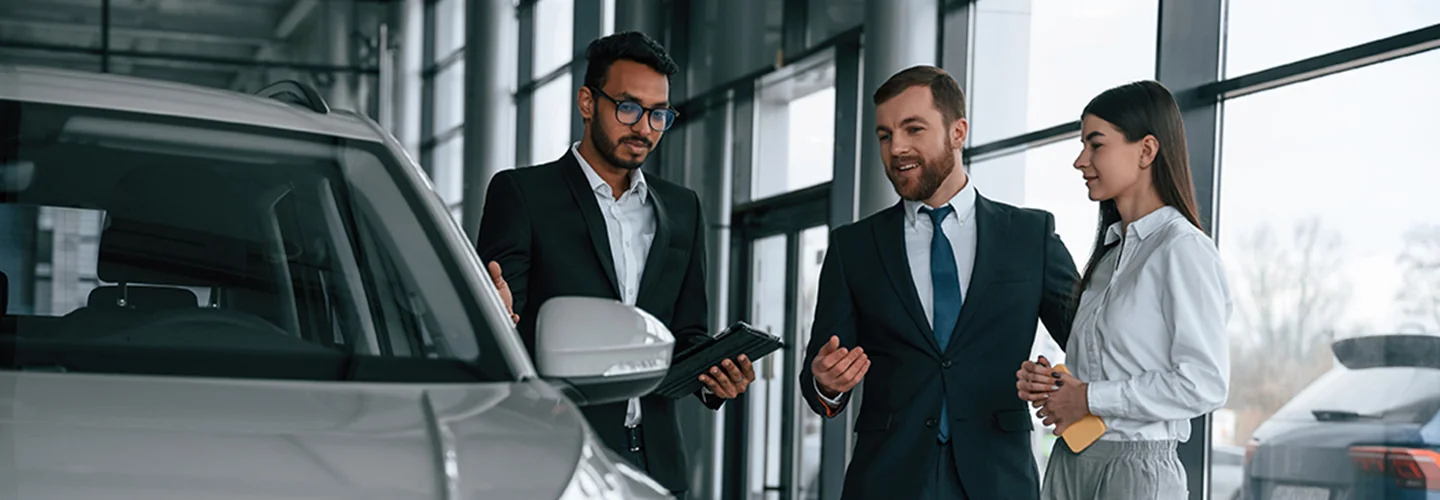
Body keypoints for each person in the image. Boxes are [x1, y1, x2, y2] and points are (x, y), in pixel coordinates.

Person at [477, 31, 755, 498]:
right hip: (558, 454)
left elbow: (686, 332)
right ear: (588, 102)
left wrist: (712, 378)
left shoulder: (682, 208)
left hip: (657, 461)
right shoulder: (523, 195)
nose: (644, 127)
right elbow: (501, 331)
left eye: (659, 114)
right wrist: (496, 313)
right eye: (628, 108)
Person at [799, 65, 1080, 500]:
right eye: (885, 135)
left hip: (997, 478)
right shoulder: (853, 246)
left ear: (957, 132)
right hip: (886, 479)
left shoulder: (1029, 235)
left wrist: (1060, 383)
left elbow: (1087, 339)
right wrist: (826, 384)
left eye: (913, 129)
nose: (897, 148)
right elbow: (818, 372)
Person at [1016, 80, 1231, 500]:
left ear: (1147, 150)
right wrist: (1054, 385)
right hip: (1072, 458)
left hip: (1136, 471)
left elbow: (1205, 382)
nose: (1081, 160)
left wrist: (1091, 398)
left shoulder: (1181, 249)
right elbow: (1109, 367)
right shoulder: (1110, 255)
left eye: (1096, 145)